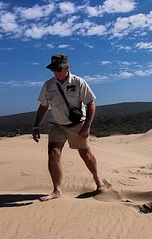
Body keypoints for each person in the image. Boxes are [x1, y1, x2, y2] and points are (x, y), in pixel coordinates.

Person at [32, 53, 105, 201]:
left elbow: (90, 104)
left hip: (77, 125)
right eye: (53, 69)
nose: (56, 72)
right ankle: (56, 191)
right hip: (57, 124)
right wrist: (35, 126)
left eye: (58, 68)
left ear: (66, 67)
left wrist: (87, 126)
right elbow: (43, 106)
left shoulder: (79, 82)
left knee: (85, 154)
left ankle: (98, 180)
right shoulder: (48, 85)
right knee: (53, 153)